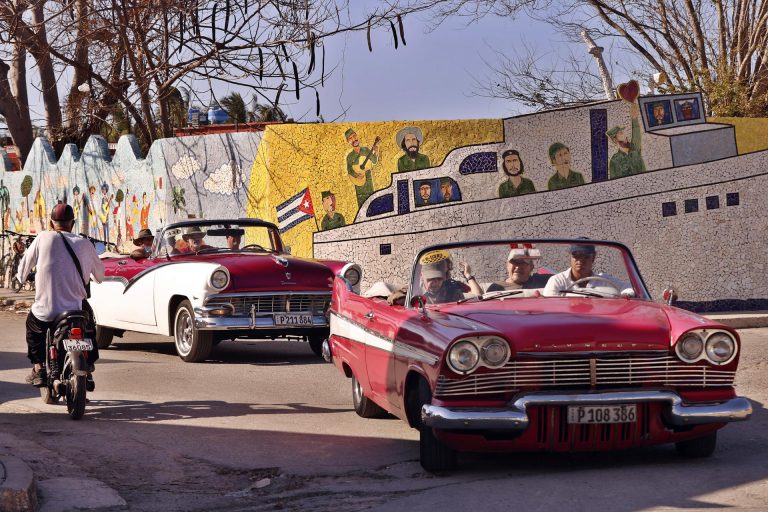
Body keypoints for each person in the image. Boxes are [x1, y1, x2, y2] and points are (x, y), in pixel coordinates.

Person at [17, 204, 104, 387]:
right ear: (72, 223)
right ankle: (87, 365)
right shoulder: (85, 244)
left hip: (46, 311)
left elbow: (23, 268)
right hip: (76, 309)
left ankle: (40, 368)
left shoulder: (42, 238)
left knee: (33, 328)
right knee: (89, 326)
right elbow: (100, 276)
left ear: (51, 223)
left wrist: (21, 277)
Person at [543, 241, 629, 296]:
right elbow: (550, 307)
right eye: (576, 256)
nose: (580, 260)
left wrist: (626, 295)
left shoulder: (604, 280)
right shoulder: (557, 281)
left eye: (586, 256)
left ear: (593, 258)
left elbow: (627, 288)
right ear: (571, 257)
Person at [607, 102, 646, 179]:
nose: (625, 136)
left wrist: (634, 118)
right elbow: (615, 182)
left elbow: (636, 135)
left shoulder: (634, 150)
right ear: (615, 140)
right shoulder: (615, 160)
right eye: (621, 133)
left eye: (623, 133)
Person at [345, 128, 380, 208]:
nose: (353, 139)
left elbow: (374, 161)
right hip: (359, 183)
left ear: (357, 136)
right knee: (362, 205)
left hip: (368, 181)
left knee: (371, 200)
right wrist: (356, 175)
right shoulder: (350, 157)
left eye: (354, 136)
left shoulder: (366, 150)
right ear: (348, 141)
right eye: (350, 138)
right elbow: (349, 170)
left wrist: (376, 152)